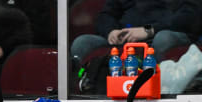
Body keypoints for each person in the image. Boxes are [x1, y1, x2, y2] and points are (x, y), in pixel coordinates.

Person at [70, 0, 202, 63]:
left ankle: (159, 87)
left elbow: (190, 16)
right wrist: (111, 31)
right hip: (125, 38)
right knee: (82, 43)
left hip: (164, 34)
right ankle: (86, 87)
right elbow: (106, 14)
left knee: (163, 38)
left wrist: (149, 30)